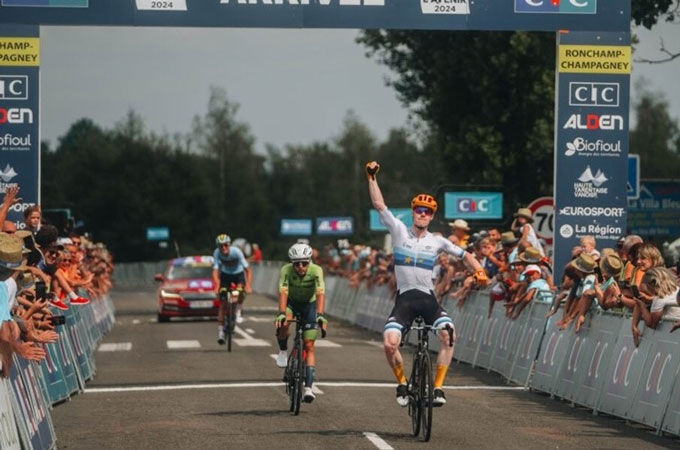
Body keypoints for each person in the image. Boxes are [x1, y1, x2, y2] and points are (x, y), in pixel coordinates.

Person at [365, 161, 488, 407]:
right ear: (413, 212)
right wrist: (371, 178)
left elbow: (466, 256)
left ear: (432, 216)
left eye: (428, 211)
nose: (423, 214)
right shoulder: (399, 231)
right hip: (405, 301)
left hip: (428, 300)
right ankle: (401, 383)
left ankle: (439, 388)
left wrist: (480, 271)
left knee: (449, 336)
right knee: (389, 344)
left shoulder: (438, 241)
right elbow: (379, 205)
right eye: (419, 209)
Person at [274, 243, 327, 403]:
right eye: (297, 263)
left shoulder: (316, 270)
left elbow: (320, 292)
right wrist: (282, 313)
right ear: (292, 263)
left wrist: (320, 315)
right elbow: (283, 292)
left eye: (304, 262)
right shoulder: (286, 270)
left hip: (309, 305)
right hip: (291, 303)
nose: (301, 267)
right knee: (283, 324)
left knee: (309, 345)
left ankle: (308, 388)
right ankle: (283, 351)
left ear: (309, 261)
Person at [212, 234, 252, 345]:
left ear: (229, 245)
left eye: (225, 245)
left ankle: (238, 309)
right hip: (225, 275)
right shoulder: (216, 253)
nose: (223, 248)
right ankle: (220, 333)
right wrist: (216, 285)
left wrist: (248, 285)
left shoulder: (237, 252)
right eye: (221, 246)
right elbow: (215, 271)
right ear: (218, 247)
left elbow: (248, 270)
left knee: (240, 290)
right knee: (222, 303)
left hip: (238, 274)